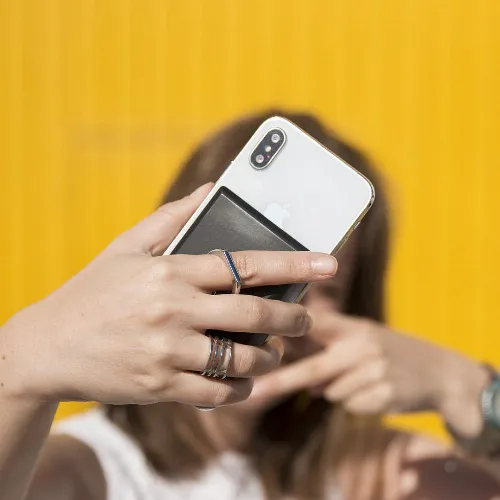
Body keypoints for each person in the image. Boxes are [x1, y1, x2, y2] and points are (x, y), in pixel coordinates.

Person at [3, 110, 500, 500]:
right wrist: (24, 369)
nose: (270, 312)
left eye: (323, 284)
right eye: (248, 270)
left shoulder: (378, 472)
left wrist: (465, 387)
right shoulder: (84, 468)